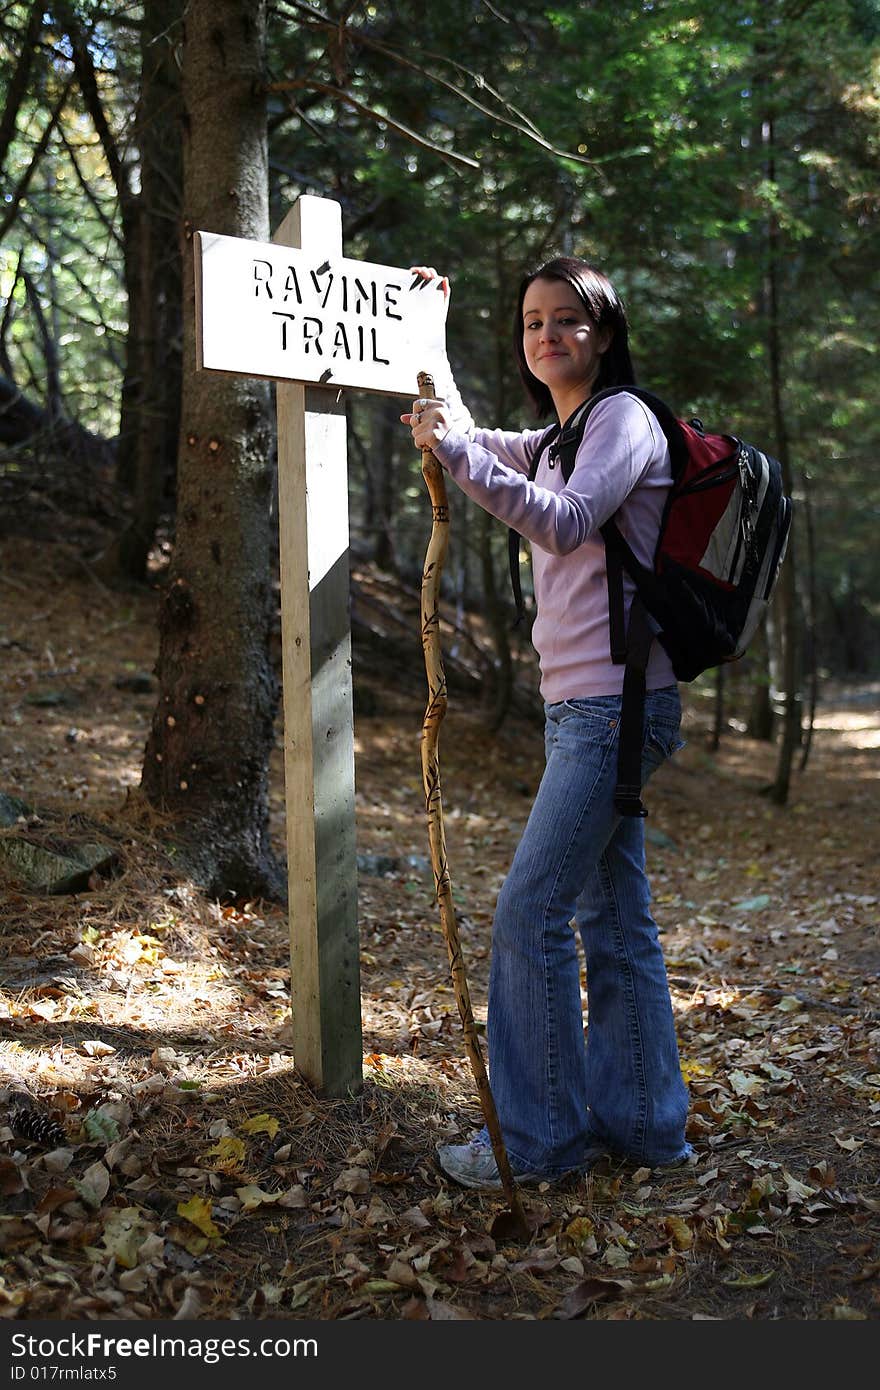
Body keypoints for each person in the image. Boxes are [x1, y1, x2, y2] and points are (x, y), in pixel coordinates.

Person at [401, 257, 693, 1191]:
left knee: (532, 911)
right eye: (531, 322)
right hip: (587, 708)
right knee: (615, 917)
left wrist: (460, 457)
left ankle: (539, 1143)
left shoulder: (621, 420)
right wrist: (430, 328)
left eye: (567, 321)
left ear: (603, 334)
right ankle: (648, 1129)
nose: (546, 337)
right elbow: (469, 434)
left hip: (616, 707)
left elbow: (563, 523)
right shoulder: (560, 433)